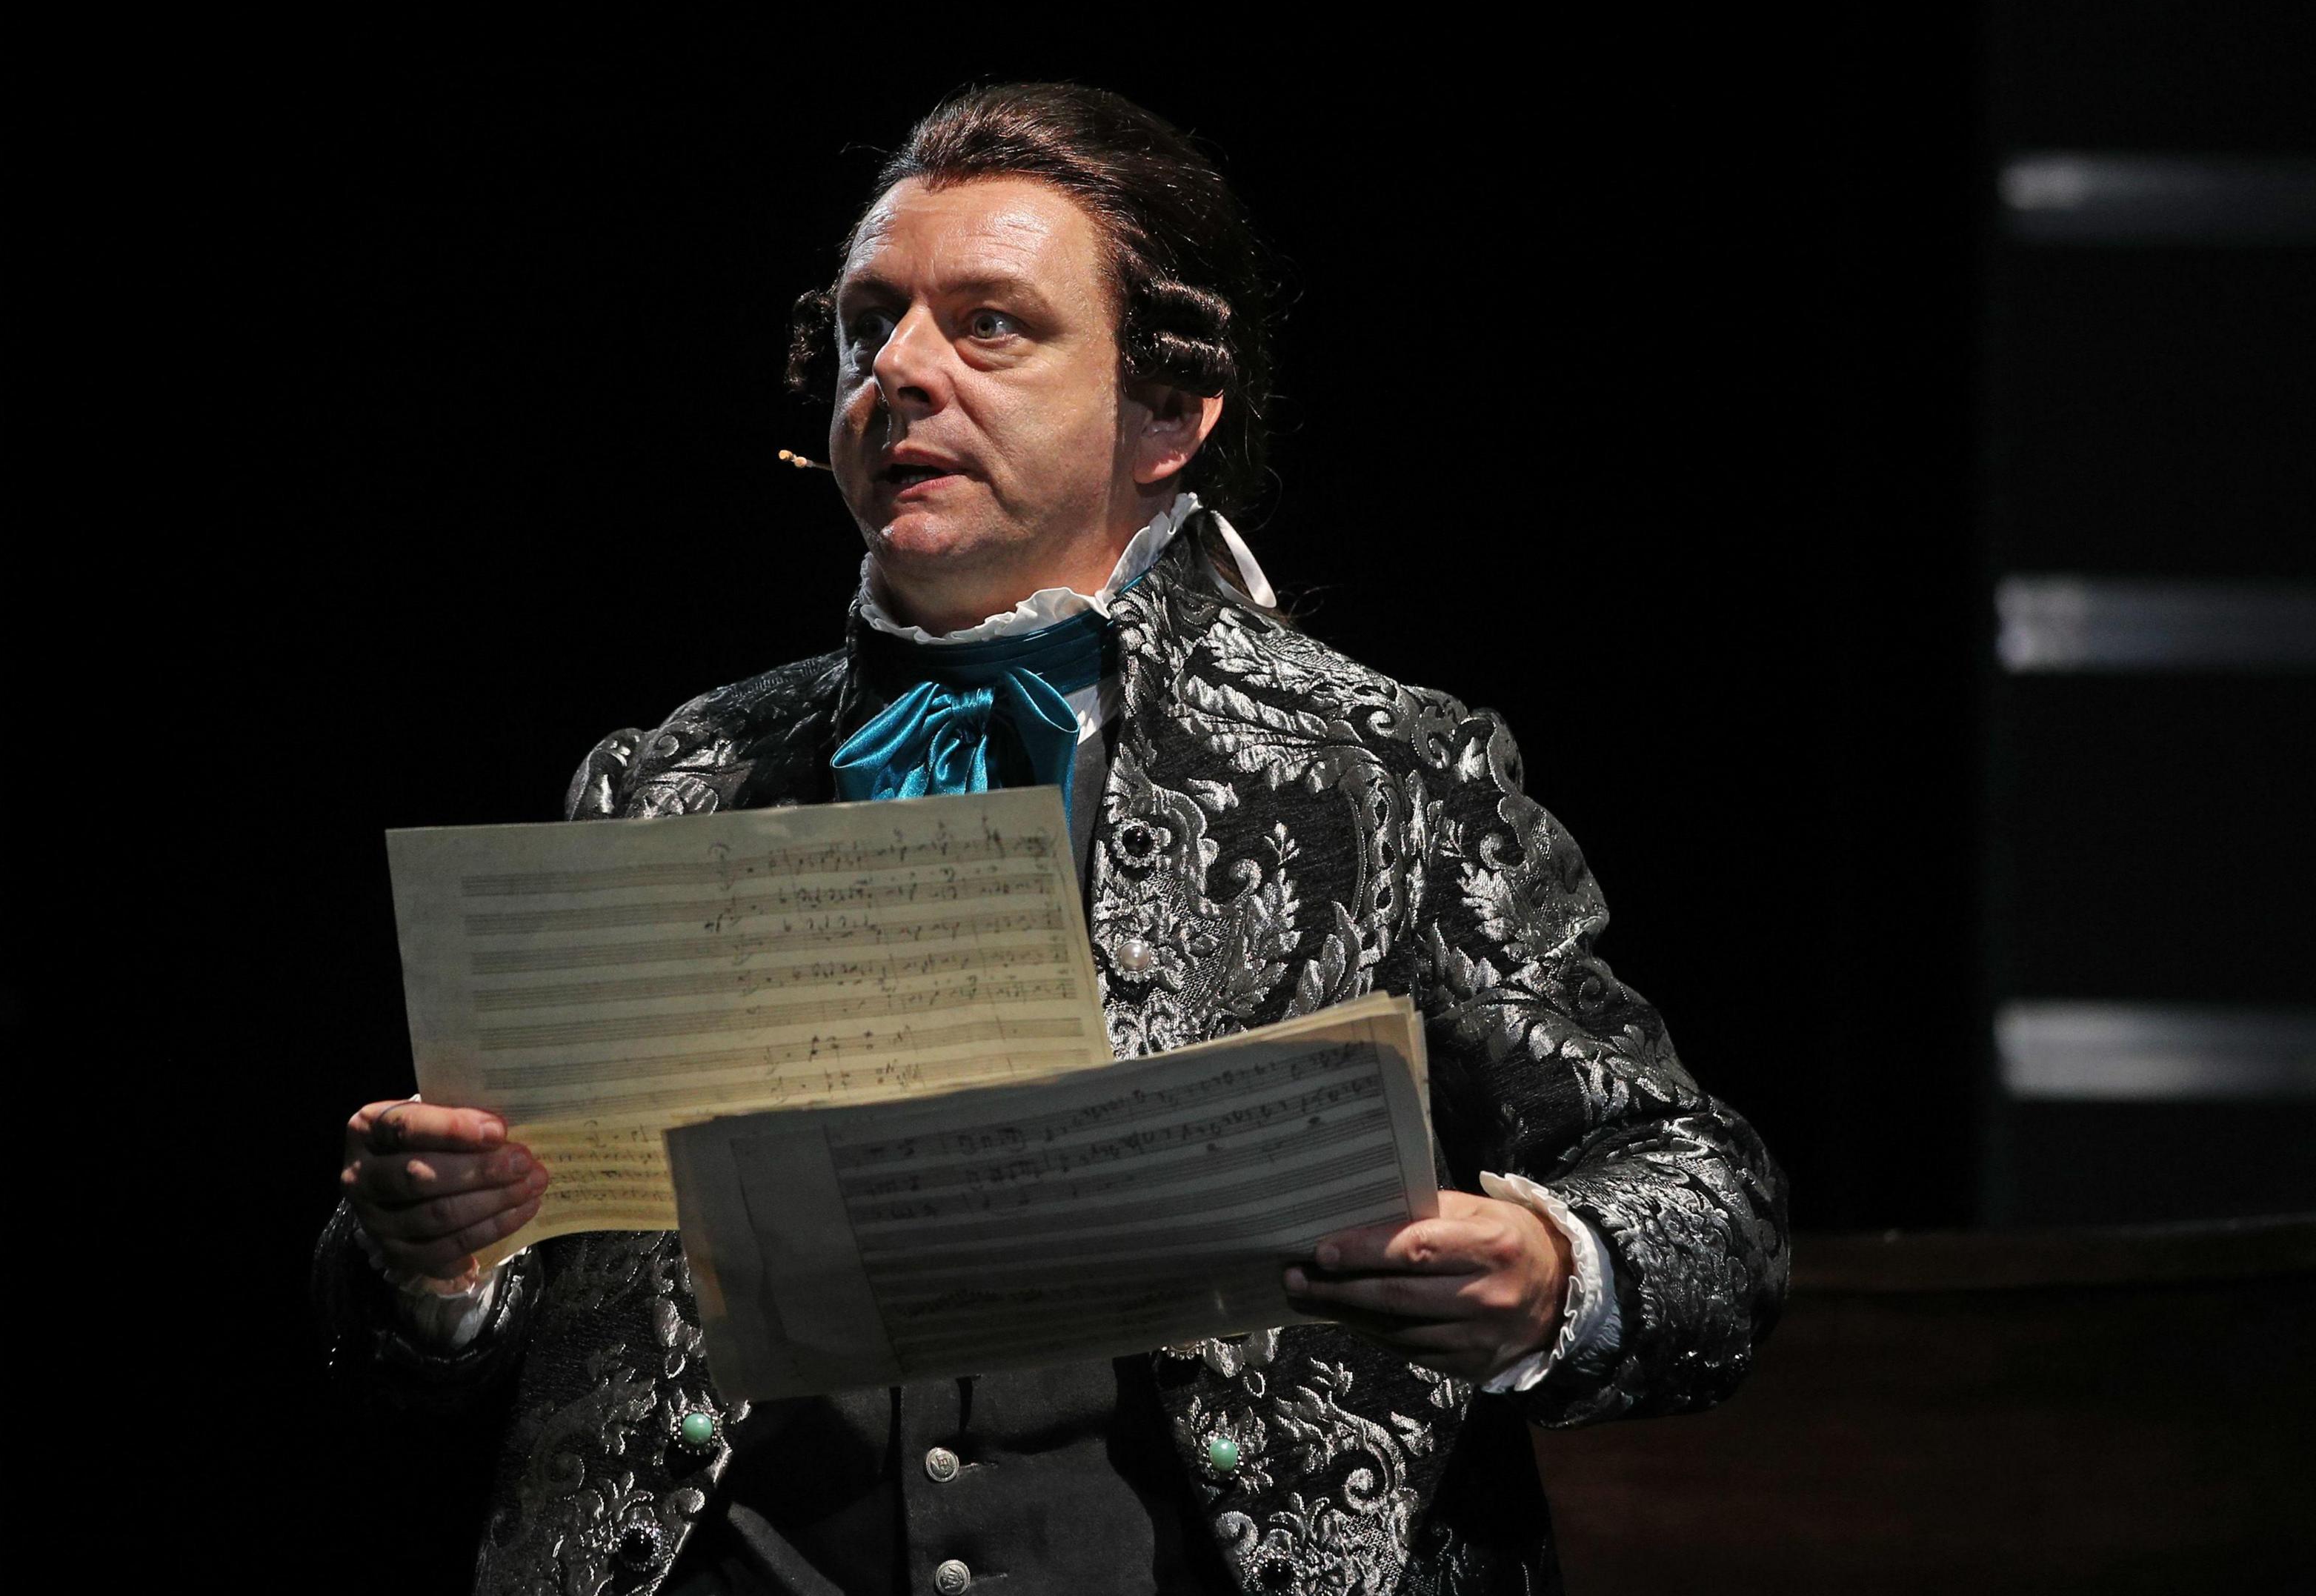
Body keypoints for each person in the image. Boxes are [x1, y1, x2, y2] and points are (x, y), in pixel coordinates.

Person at [318, 82, 1788, 1596]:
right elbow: (433, 1359)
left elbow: (1703, 1200)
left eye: (990, 325)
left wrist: (1553, 1272)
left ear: (1168, 412)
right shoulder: (668, 779)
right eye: (868, 323)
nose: (899, 371)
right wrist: (437, 1262)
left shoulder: (1383, 770)